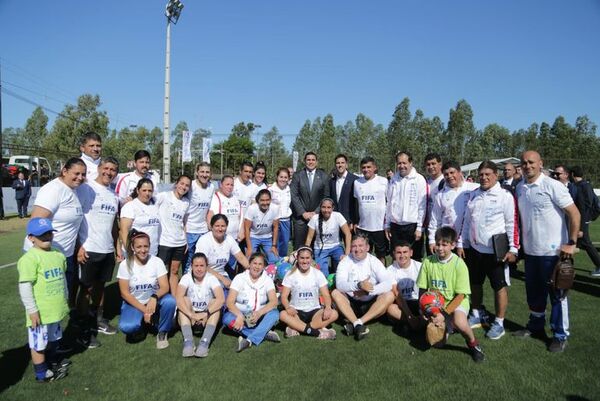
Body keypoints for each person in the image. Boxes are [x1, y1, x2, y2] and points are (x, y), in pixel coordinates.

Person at [513, 151, 580, 352]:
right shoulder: (520, 187)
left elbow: (574, 213)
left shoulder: (553, 186)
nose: (527, 166)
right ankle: (535, 326)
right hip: (531, 252)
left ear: (541, 164)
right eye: (524, 163)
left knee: (557, 295)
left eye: (531, 162)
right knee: (534, 293)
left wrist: (571, 242)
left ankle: (560, 335)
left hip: (553, 253)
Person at [458, 160, 518, 340]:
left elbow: (512, 224)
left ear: (496, 176)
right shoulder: (474, 195)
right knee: (475, 284)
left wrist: (513, 249)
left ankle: (499, 322)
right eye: (481, 175)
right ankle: (476, 313)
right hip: (475, 250)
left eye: (487, 174)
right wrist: (462, 243)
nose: (484, 178)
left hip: (496, 253)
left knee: (499, 287)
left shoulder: (505, 196)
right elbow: (467, 222)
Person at [416, 226, 485, 362]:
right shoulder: (428, 261)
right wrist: (423, 309)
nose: (440, 248)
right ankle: (449, 327)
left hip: (456, 301)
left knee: (459, 322)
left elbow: (460, 296)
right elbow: (423, 290)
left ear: (453, 245)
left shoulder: (459, 265)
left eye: (444, 245)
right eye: (438, 244)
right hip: (436, 304)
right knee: (436, 343)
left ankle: (473, 344)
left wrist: (444, 314)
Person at [29, 157, 86, 309]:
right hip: (46, 257)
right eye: (76, 173)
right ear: (64, 171)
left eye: (83, 174)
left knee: (58, 303)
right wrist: (44, 256)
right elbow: (36, 222)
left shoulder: (72, 190)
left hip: (63, 256)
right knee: (45, 304)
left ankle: (57, 332)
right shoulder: (53, 189)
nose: (80, 177)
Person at [75, 157, 121, 348]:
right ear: (100, 168)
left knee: (100, 287)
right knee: (86, 289)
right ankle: (83, 329)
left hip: (107, 248)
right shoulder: (86, 188)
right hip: (89, 248)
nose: (109, 172)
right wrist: (79, 246)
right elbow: (77, 217)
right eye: (106, 168)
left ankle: (98, 321)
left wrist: (117, 247)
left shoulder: (113, 195)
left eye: (113, 170)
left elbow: (114, 226)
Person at [18, 218, 70, 382]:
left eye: (49, 233)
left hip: (55, 309)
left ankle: (52, 360)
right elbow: (25, 287)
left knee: (54, 338)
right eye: (42, 235)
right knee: (38, 344)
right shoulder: (29, 259)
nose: (47, 237)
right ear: (31, 237)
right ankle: (41, 373)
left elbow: (62, 279)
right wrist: (32, 310)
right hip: (40, 313)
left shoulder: (58, 254)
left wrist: (66, 297)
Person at [117, 229, 176, 349]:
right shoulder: (125, 264)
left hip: (153, 301)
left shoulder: (157, 261)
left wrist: (154, 297)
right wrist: (145, 310)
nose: (143, 250)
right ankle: (142, 325)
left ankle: (162, 332)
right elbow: (125, 294)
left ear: (150, 246)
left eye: (146, 246)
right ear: (132, 247)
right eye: (138, 247)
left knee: (170, 301)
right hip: (134, 303)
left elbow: (165, 287)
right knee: (127, 327)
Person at [331, 234, 394, 341]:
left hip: (371, 303)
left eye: (361, 245)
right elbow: (340, 284)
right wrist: (358, 285)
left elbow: (388, 283)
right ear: (351, 248)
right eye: (354, 246)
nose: (357, 249)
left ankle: (357, 323)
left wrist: (368, 291)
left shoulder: (374, 261)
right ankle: (357, 323)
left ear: (367, 247)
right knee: (335, 292)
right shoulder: (345, 261)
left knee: (390, 295)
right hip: (350, 303)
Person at [222, 253, 281, 352]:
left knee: (275, 313)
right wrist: (240, 316)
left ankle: (249, 340)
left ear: (263, 266)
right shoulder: (239, 278)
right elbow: (229, 302)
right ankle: (263, 333)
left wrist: (259, 313)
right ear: (249, 264)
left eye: (260, 264)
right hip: (241, 316)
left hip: (259, 316)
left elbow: (274, 301)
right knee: (226, 318)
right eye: (254, 263)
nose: (257, 267)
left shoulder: (267, 280)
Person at [279, 247, 338, 339]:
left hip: (314, 311)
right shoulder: (290, 274)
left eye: (307, 258)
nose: (305, 261)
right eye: (302, 258)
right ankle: (316, 331)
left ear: (311, 258)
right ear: (297, 258)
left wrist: (328, 307)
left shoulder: (318, 273)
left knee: (334, 314)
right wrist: (288, 307)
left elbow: (326, 295)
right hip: (296, 312)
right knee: (283, 314)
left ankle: (297, 327)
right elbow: (284, 296)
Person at [176, 252, 225, 358]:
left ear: (206, 267)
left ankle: (204, 343)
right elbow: (178, 299)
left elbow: (221, 299)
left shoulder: (211, 278)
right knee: (184, 299)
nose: (199, 269)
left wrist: (205, 313)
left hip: (207, 316)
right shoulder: (186, 277)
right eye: (196, 266)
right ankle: (188, 342)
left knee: (215, 302)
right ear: (191, 266)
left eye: (202, 266)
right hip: (191, 316)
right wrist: (191, 314)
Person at [427, 161, 478, 254]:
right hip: (448, 241)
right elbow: (435, 220)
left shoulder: (473, 188)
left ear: (459, 172)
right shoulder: (440, 195)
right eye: (446, 174)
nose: (449, 176)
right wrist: (432, 240)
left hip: (470, 242)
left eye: (452, 172)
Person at [385, 151, 428, 261]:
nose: (402, 166)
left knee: (415, 257)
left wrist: (419, 228)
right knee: (397, 257)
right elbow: (389, 202)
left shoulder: (419, 179)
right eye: (399, 163)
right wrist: (387, 224)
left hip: (412, 226)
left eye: (404, 163)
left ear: (411, 163)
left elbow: (422, 205)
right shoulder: (393, 180)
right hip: (395, 226)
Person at [156, 175, 191, 295]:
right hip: (164, 242)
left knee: (175, 270)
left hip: (180, 242)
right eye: (182, 183)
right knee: (161, 272)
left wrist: (185, 240)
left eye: (187, 185)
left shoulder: (186, 203)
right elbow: (149, 202)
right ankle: (159, 297)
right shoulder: (164, 196)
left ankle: (175, 300)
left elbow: (184, 222)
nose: (184, 187)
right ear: (176, 183)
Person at [196, 214, 249, 287]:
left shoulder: (229, 239)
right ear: (211, 227)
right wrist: (222, 279)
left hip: (222, 274)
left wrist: (253, 269)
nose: (220, 229)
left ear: (227, 227)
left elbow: (241, 258)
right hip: (203, 275)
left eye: (223, 226)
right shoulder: (204, 240)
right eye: (217, 226)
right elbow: (201, 266)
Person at [290, 152, 330, 249]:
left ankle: (314, 264)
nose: (310, 162)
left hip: (317, 217)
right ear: (305, 161)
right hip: (300, 219)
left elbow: (325, 196)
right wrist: (303, 213)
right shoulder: (297, 175)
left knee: (316, 247)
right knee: (299, 247)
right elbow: (294, 195)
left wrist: (316, 212)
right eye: (308, 160)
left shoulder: (324, 176)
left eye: (313, 160)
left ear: (316, 162)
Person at [353, 157, 389, 264]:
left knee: (380, 255)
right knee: (362, 254)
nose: (366, 169)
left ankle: (381, 277)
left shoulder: (383, 181)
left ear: (375, 168)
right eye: (363, 167)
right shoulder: (357, 182)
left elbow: (389, 202)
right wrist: (356, 221)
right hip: (363, 226)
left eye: (369, 167)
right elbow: (356, 203)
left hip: (379, 226)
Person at [305, 198, 351, 276]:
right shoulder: (315, 218)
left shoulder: (338, 216)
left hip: (336, 247)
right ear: (320, 208)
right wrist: (306, 252)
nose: (326, 210)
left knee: (342, 269)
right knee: (322, 274)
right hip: (320, 248)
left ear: (332, 208)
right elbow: (309, 238)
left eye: (329, 207)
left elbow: (348, 234)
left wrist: (347, 254)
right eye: (323, 207)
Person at [184, 162, 215, 274]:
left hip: (203, 230)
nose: (204, 175)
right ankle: (186, 285)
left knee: (203, 261)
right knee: (188, 262)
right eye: (202, 172)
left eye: (207, 172)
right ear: (197, 173)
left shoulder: (211, 187)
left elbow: (209, 209)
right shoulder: (190, 186)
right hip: (190, 230)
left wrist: (210, 225)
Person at [386, 241, 423, 331]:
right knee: (391, 309)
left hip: (418, 301)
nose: (402, 256)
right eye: (399, 252)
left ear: (411, 253)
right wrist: (409, 315)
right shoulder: (389, 270)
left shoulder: (420, 266)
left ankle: (409, 324)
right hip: (401, 303)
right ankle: (416, 323)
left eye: (405, 252)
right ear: (394, 254)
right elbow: (396, 293)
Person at [571, 166, 600, 277]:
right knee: (581, 243)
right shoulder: (580, 185)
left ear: (572, 174)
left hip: (583, 219)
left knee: (586, 243)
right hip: (581, 218)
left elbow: (587, 204)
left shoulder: (584, 186)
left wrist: (586, 219)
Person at [119, 178, 161, 257]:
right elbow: (124, 232)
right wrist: (131, 252)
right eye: (144, 190)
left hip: (152, 253)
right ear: (138, 190)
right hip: (135, 254)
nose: (147, 193)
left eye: (150, 191)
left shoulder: (155, 206)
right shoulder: (130, 206)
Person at [244, 189, 280, 264]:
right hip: (254, 236)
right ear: (258, 201)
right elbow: (247, 228)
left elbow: (276, 227)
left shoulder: (275, 208)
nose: (265, 203)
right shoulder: (252, 208)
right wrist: (249, 247)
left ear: (270, 200)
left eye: (267, 200)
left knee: (275, 259)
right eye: (262, 200)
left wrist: (274, 245)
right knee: (249, 258)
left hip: (267, 237)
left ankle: (268, 271)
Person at [207, 175, 243, 243]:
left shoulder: (235, 198)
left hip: (235, 239)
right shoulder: (215, 198)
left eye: (232, 185)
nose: (230, 187)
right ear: (221, 185)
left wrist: (241, 231)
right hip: (221, 239)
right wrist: (216, 235)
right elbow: (210, 217)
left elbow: (241, 217)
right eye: (227, 184)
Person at [329, 154, 358, 228]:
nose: (340, 165)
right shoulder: (331, 181)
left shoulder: (355, 180)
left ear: (346, 165)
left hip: (349, 222)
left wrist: (353, 221)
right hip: (334, 221)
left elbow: (356, 203)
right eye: (338, 163)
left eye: (342, 163)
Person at [269, 167, 292, 257]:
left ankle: (282, 264)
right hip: (275, 221)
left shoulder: (289, 189)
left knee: (285, 244)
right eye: (281, 177)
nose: (283, 179)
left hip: (286, 221)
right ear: (277, 177)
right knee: (275, 244)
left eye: (285, 177)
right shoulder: (271, 189)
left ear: (288, 179)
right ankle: (273, 264)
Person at [423, 153, 444, 255]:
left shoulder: (445, 181)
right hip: (429, 227)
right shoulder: (425, 182)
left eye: (433, 163)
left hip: (442, 227)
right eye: (428, 164)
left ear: (440, 164)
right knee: (431, 255)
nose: (431, 167)